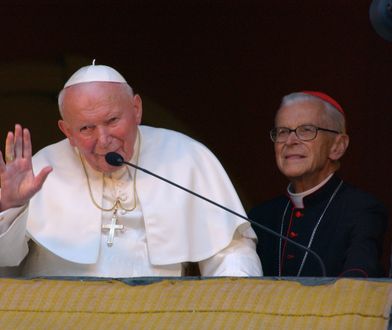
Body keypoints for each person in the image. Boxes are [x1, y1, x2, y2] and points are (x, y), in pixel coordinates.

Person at [0, 63, 262, 277]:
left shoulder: (186, 158)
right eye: (86, 128)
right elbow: (5, 266)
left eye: (112, 120)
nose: (103, 140)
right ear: (67, 131)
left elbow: (231, 253)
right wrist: (11, 209)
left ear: (136, 110)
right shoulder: (40, 170)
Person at [249, 91, 387, 277]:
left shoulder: (362, 210)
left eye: (306, 130)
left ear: (337, 146)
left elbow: (357, 284)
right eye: (282, 131)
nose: (290, 141)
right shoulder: (259, 218)